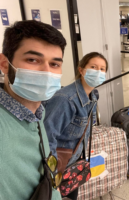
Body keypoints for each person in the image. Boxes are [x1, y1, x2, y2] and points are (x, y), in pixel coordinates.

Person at [0, 20, 66, 200]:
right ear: (4, 64)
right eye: (32, 60)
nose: (46, 72)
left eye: (54, 64)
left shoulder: (37, 112)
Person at [43, 52, 108, 200]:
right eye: (93, 67)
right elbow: (47, 139)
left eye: (102, 69)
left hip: (72, 164)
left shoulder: (93, 96)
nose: (98, 72)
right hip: (57, 169)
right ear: (81, 70)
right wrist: (52, 178)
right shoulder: (66, 99)